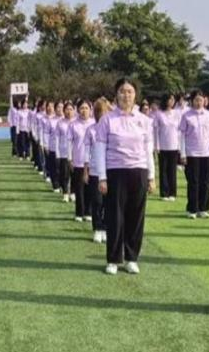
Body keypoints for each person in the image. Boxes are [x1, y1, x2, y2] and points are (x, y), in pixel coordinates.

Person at [93, 79, 155, 276]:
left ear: (135, 95)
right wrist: (102, 177)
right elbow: (100, 150)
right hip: (115, 171)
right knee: (115, 216)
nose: (126, 95)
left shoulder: (144, 120)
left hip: (139, 170)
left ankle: (131, 258)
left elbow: (148, 150)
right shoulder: (107, 120)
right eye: (122, 91)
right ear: (116, 95)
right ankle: (113, 259)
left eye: (129, 91)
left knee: (136, 217)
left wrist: (151, 176)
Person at [179, 90, 209, 219]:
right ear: (192, 101)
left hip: (207, 152)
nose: (199, 102)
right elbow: (182, 135)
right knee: (193, 182)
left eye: (201, 100)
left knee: (206, 181)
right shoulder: (186, 115)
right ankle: (192, 209)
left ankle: (203, 208)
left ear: (204, 101)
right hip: (192, 153)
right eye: (196, 100)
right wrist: (183, 153)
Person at [87, 99, 112, 243]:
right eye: (101, 112)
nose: (103, 115)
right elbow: (87, 151)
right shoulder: (91, 129)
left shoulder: (113, 129)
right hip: (95, 170)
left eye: (106, 111)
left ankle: (106, 227)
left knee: (108, 202)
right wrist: (86, 169)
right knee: (97, 201)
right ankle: (97, 228)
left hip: (110, 170)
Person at [67, 100, 95, 221]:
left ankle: (88, 212)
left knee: (89, 188)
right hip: (78, 160)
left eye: (86, 108)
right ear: (78, 110)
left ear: (90, 110)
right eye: (82, 108)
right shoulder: (73, 124)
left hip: (92, 161)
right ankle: (79, 213)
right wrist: (70, 158)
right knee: (79, 189)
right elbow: (69, 142)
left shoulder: (94, 124)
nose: (84, 110)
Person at [153, 94, 183, 202]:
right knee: (163, 170)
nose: (171, 101)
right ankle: (164, 193)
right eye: (169, 99)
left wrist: (180, 146)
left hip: (174, 145)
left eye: (173, 99)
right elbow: (156, 131)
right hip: (162, 146)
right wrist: (156, 146)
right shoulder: (159, 114)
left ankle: (172, 193)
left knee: (172, 170)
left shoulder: (177, 113)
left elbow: (179, 131)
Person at [57, 102, 76, 202]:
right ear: (64, 111)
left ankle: (72, 192)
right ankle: (65, 193)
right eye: (67, 109)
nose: (69, 111)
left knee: (74, 174)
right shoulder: (60, 123)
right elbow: (57, 138)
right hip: (64, 152)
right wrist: (57, 152)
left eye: (71, 109)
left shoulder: (76, 122)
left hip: (75, 153)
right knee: (65, 174)